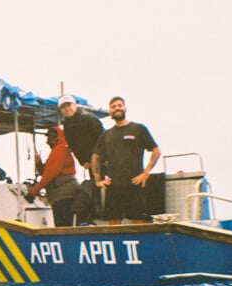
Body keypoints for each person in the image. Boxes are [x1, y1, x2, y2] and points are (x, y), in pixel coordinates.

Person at [91, 96, 161, 224]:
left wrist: (146, 173)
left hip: (135, 184)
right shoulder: (107, 134)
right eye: (113, 106)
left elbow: (156, 151)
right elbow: (95, 157)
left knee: (139, 223)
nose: (117, 108)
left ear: (125, 108)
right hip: (113, 187)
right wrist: (98, 180)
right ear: (110, 111)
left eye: (119, 105)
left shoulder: (138, 129)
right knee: (113, 224)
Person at [29, 126, 79, 227]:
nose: (48, 140)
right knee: (67, 225)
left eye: (50, 137)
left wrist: (34, 191)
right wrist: (39, 164)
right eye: (48, 137)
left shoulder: (59, 149)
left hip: (63, 195)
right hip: (65, 193)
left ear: (57, 138)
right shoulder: (60, 149)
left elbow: (49, 174)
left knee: (62, 226)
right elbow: (48, 172)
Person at [58, 94, 104, 178]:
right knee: (96, 185)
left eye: (69, 105)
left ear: (75, 105)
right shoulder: (67, 126)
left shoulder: (88, 118)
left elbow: (102, 138)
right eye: (63, 107)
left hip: (103, 159)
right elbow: (73, 146)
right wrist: (83, 161)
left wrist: (100, 157)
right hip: (89, 163)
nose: (67, 109)